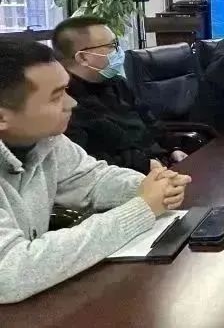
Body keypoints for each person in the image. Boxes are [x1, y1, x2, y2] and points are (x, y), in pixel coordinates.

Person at [0, 40, 191, 304]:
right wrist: (141, 208)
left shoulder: (47, 140)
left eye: (67, 90)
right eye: (56, 96)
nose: (72, 103)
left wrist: (152, 186)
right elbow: (9, 273)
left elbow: (92, 180)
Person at [51, 17, 187, 173]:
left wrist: (173, 149)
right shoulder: (64, 102)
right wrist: (143, 164)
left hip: (161, 167)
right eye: (111, 46)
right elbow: (85, 163)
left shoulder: (117, 83)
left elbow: (151, 123)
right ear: (83, 57)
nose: (118, 51)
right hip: (126, 177)